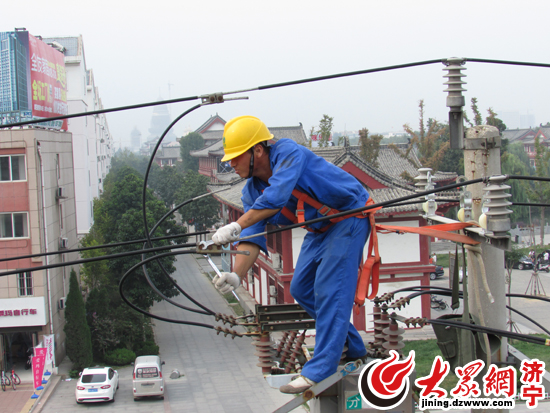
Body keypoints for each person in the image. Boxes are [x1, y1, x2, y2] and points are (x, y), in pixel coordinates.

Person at [210, 116, 372, 394]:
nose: (231, 164)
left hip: (349, 217)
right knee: (301, 288)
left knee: (329, 289)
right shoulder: (252, 191)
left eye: (236, 157)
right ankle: (354, 347)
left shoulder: (288, 153)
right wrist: (236, 275)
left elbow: (275, 198)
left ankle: (319, 370)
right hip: (319, 229)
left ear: (258, 151)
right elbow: (253, 238)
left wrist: (236, 225)